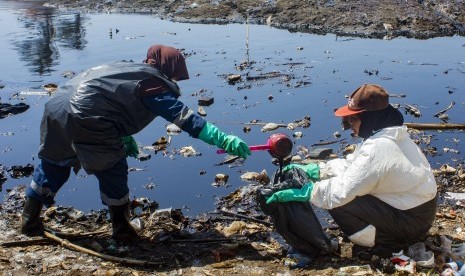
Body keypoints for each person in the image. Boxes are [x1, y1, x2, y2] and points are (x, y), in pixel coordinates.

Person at [21, 44, 251, 241]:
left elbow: (109, 98)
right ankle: (122, 230)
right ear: (168, 68)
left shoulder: (126, 69)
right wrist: (222, 139)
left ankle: (29, 221)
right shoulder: (152, 84)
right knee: (112, 167)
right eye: (174, 75)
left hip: (57, 107)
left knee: (54, 163)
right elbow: (184, 118)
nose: (173, 80)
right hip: (87, 115)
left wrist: (123, 135)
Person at [266, 83, 437, 258]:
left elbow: (342, 191)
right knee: (336, 188)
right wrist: (318, 170)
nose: (348, 126)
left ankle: (386, 242)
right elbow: (355, 166)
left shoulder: (379, 148)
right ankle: (387, 234)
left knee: (338, 201)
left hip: (411, 223)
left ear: (370, 118)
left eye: (352, 120)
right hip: (419, 211)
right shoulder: (389, 134)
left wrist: (308, 192)